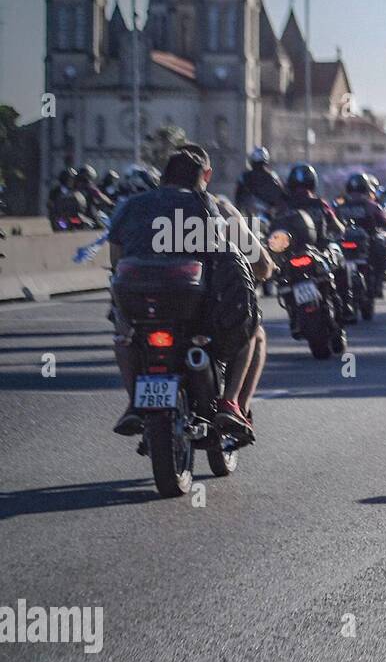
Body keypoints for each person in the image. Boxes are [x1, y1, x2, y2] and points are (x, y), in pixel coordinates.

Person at [107, 144, 271, 440]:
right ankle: (231, 404)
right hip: (198, 313)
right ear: (206, 175)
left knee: (124, 336)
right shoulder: (217, 207)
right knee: (252, 330)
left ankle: (134, 403)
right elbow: (261, 264)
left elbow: (116, 260)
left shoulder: (131, 205)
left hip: (142, 308)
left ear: (163, 176)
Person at [276, 163, 353, 321]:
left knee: (282, 279)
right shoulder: (321, 204)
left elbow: (274, 230)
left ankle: (295, 316)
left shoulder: (283, 207)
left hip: (294, 255)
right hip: (319, 251)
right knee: (340, 261)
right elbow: (338, 227)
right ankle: (346, 303)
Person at [234, 147, 287, 224]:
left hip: (266, 217)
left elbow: (281, 198)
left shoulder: (272, 177)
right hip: (249, 216)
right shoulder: (272, 176)